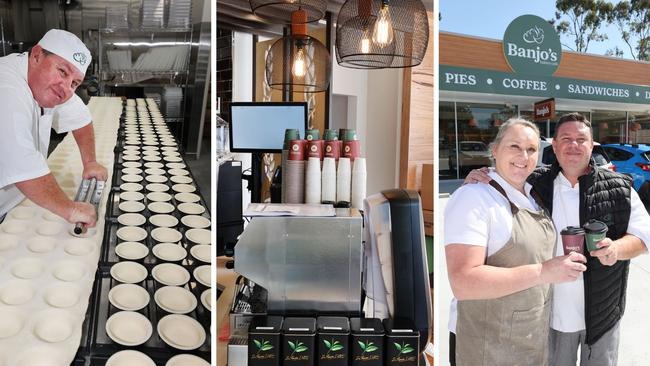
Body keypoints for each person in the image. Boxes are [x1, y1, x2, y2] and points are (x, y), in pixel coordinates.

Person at [465, 112, 650, 365]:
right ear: (554, 145)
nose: (573, 145)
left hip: (602, 314)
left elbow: (643, 236)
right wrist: (479, 178)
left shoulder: (620, 187)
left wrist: (616, 249)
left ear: (592, 144)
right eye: (565, 138)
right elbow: (500, 179)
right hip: (547, 315)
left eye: (581, 139)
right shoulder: (532, 183)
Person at [445, 118, 587, 366]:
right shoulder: (474, 197)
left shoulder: (533, 194)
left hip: (529, 340)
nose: (523, 156)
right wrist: (545, 271)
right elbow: (463, 282)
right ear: (495, 150)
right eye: (514, 146)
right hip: (486, 345)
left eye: (531, 149)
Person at [0, 29, 107, 226]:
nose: (66, 87)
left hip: (12, 206)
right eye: (62, 71)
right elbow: (20, 162)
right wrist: (71, 209)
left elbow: (80, 118)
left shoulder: (47, 84)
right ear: (37, 55)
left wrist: (90, 162)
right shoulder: (6, 88)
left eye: (75, 83)